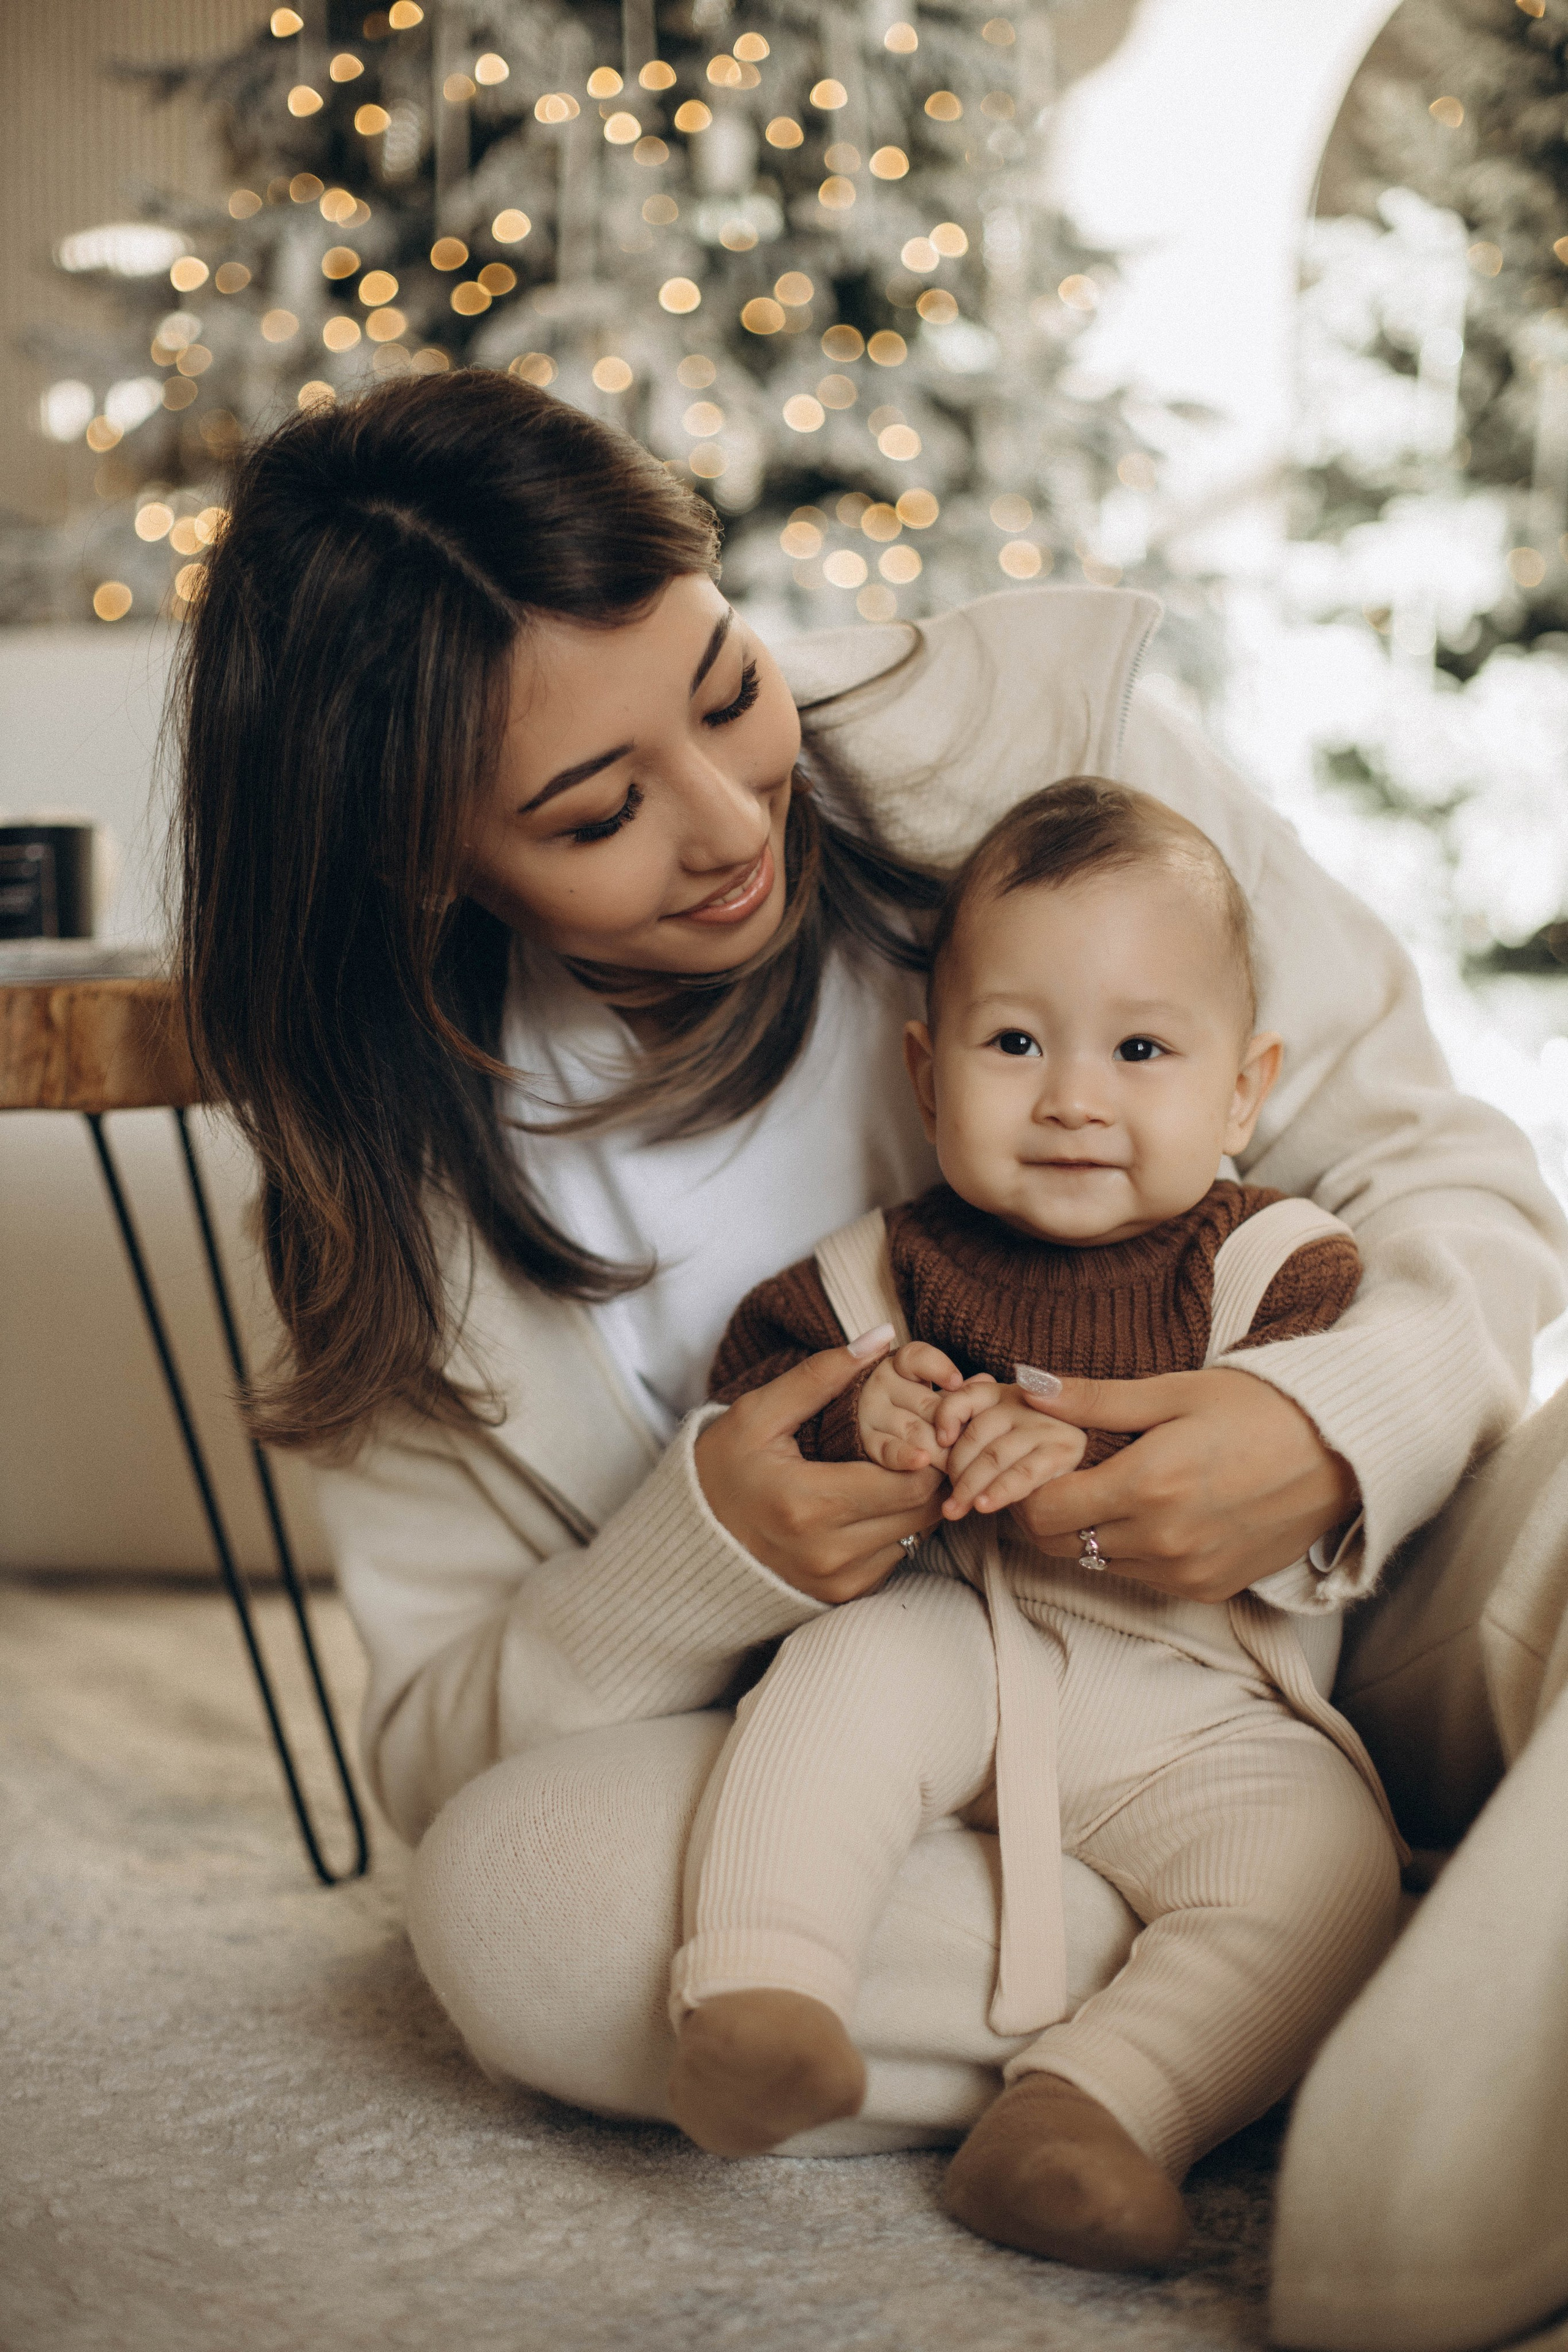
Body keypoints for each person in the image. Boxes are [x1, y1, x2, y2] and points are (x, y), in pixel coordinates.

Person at [173, 372, 1564, 2176]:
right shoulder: (386, 1200)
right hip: (871, 1775)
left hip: (1347, 1626)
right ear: (414, 853)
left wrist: (1324, 1429)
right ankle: (1323, 1967)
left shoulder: (1055, 762)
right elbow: (443, 1753)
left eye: (726, 688)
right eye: (596, 815)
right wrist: (697, 1561)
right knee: (519, 1898)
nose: (730, 823)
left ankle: (1294, 1949)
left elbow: (1452, 1178)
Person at [668, 779, 1403, 2272]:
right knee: (829, 1693)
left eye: (1139, 1050)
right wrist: (861, 1416)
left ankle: (1092, 2113)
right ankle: (759, 1996)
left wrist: (1098, 1441)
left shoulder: (1281, 1265)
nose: (1072, 1097)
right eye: (1014, 1044)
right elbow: (753, 1398)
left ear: (1242, 1090)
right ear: (927, 1075)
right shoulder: (886, 1267)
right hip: (951, 1635)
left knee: (1330, 1871)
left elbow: (1299, 1462)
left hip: (1193, 1693)